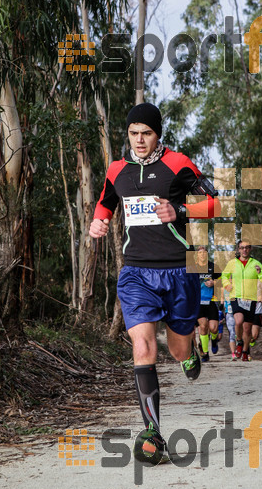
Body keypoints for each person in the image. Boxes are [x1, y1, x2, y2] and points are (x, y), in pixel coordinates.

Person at [89, 103, 220, 463]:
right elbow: (106, 203)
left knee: (176, 350)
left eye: (146, 133)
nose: (140, 140)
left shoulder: (179, 164)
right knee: (143, 347)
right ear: (127, 134)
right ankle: (152, 432)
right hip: (136, 273)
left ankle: (189, 352)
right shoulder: (118, 170)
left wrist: (179, 211)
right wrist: (97, 223)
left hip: (179, 272)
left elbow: (215, 203)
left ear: (158, 134)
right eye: (134, 133)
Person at [221, 240, 262, 362]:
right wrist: (228, 286)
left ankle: (244, 351)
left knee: (247, 329)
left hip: (251, 299)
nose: (244, 250)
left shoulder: (256, 264)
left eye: (247, 247)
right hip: (236, 297)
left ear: (250, 249)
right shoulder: (232, 263)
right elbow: (224, 276)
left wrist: (259, 274)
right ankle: (239, 341)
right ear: (238, 249)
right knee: (238, 322)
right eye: (242, 247)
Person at [195, 246, 221, 363]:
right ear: (197, 255)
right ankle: (205, 353)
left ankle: (214, 340)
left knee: (213, 328)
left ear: (207, 254)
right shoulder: (192, 267)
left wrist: (214, 282)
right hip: (198, 301)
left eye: (204, 252)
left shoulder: (213, 267)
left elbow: (224, 280)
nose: (202, 255)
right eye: (200, 253)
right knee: (203, 326)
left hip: (212, 301)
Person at [249, 281, 262, 353]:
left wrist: (260, 296)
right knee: (246, 331)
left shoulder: (260, 281)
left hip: (257, 311)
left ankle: (250, 341)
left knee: (254, 335)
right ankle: (245, 350)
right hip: (246, 310)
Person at [223, 291, 237, 360]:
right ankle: (233, 353)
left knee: (239, 332)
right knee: (232, 333)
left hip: (239, 311)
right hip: (229, 312)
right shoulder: (224, 287)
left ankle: (242, 350)